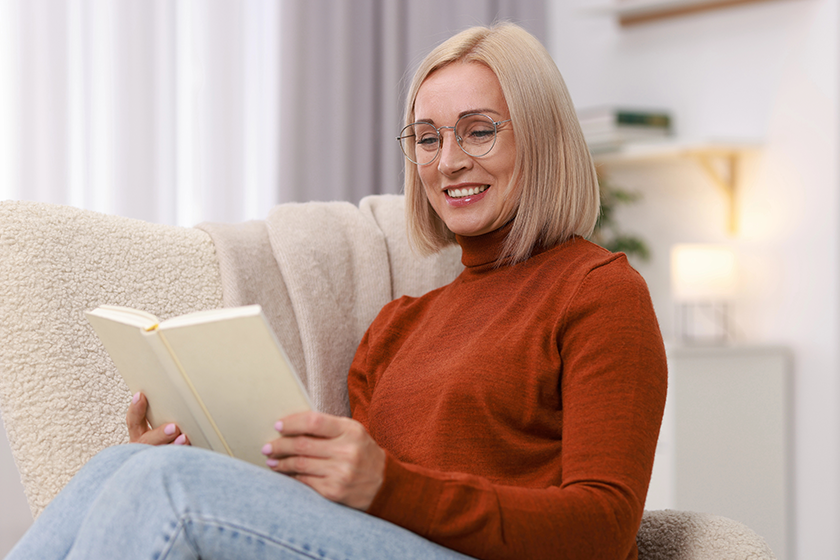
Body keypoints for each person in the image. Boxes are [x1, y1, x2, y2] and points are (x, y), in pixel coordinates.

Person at [6, 22, 666, 560]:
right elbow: (338, 516)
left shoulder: (598, 292)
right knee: (120, 469)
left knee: (167, 486)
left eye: (479, 130)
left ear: (542, 137)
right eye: (428, 138)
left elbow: (603, 529)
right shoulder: (401, 323)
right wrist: (209, 446)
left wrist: (390, 486)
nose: (447, 162)